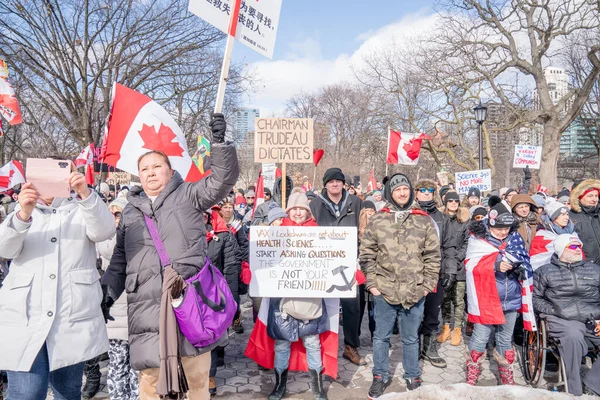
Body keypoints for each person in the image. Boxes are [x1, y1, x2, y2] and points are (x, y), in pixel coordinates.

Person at [101, 113, 239, 400]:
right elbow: (120, 259)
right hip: (146, 311)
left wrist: (220, 145)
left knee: (196, 384)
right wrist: (106, 291)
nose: (150, 173)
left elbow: (223, 179)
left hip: (188, 305)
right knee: (151, 387)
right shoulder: (130, 211)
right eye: (145, 169)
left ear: (169, 170)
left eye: (156, 167)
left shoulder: (189, 195)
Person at [0, 171, 115, 400]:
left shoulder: (81, 207)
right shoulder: (22, 209)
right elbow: (5, 250)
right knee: (27, 391)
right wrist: (23, 213)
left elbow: (104, 231)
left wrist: (85, 194)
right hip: (26, 315)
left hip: (70, 316)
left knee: (67, 391)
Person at [360, 173, 441, 397]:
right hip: (384, 290)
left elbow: (433, 256)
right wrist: (373, 284)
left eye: (405, 188)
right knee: (381, 337)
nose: (402, 193)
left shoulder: (423, 219)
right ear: (390, 193)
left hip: (415, 290)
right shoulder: (379, 219)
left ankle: (412, 376)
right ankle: (379, 376)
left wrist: (427, 286)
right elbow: (367, 254)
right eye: (397, 190)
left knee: (410, 338)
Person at [265, 192, 328, 400]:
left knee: (312, 342)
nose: (298, 212)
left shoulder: (318, 232)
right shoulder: (277, 232)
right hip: (283, 301)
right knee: (282, 344)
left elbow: (331, 260)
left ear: (308, 211)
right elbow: (263, 256)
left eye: (302, 208)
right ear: (289, 211)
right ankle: (279, 385)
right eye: (294, 209)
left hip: (309, 300)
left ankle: (317, 386)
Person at [465, 203, 533, 386]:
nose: (503, 232)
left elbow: (526, 260)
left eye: (506, 229)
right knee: (480, 337)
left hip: (510, 298)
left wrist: (520, 269)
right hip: (486, 298)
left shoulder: (515, 238)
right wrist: (495, 265)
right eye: (499, 229)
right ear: (490, 225)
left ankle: (506, 376)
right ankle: (472, 372)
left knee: (505, 339)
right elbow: (471, 265)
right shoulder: (478, 240)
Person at [309, 168, 366, 366]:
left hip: (350, 263)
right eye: (331, 181)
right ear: (325, 184)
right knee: (323, 307)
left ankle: (351, 346)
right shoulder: (315, 204)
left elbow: (364, 231)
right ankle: (323, 347)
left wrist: (361, 256)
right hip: (323, 263)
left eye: (338, 181)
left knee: (353, 307)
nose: (335, 184)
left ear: (344, 183)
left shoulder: (355, 203)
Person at [533, 233, 600, 396]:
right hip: (562, 318)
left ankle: (592, 382)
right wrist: (556, 311)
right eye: (573, 247)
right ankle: (574, 390)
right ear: (561, 250)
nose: (578, 250)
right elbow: (536, 299)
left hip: (592, 318)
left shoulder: (594, 270)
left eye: (579, 246)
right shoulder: (545, 271)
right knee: (573, 336)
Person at [96, 197, 139, 400]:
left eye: (118, 213)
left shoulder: (134, 235)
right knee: (117, 366)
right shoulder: (107, 238)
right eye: (111, 214)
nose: (114, 218)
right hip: (116, 313)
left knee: (137, 368)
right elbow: (109, 251)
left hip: (136, 312)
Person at [413, 179, 450, 368]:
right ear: (416, 192)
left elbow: (449, 246)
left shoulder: (442, 218)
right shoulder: (409, 213)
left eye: (430, 190)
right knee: (412, 313)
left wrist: (449, 269)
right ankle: (412, 349)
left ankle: (429, 349)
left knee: (432, 312)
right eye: (423, 190)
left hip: (436, 271)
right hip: (412, 272)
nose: (426, 193)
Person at [204, 208, 241, 396]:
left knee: (210, 335)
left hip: (212, 293)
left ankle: (209, 375)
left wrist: (232, 300)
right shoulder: (180, 229)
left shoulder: (223, 235)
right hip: (185, 292)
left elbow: (231, 267)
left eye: (204, 212)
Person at [437, 191, 469, 347]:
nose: (453, 203)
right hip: (443, 264)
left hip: (459, 265)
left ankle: (457, 329)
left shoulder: (464, 221)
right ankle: (446, 327)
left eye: (456, 201)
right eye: (450, 201)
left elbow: (466, 243)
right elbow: (438, 243)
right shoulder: (440, 220)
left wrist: (457, 260)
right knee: (445, 299)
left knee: (458, 299)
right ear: (445, 202)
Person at [569, 179, 600, 265]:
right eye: (590, 196)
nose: (594, 199)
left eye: (596, 196)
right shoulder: (570, 217)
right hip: (585, 266)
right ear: (579, 197)